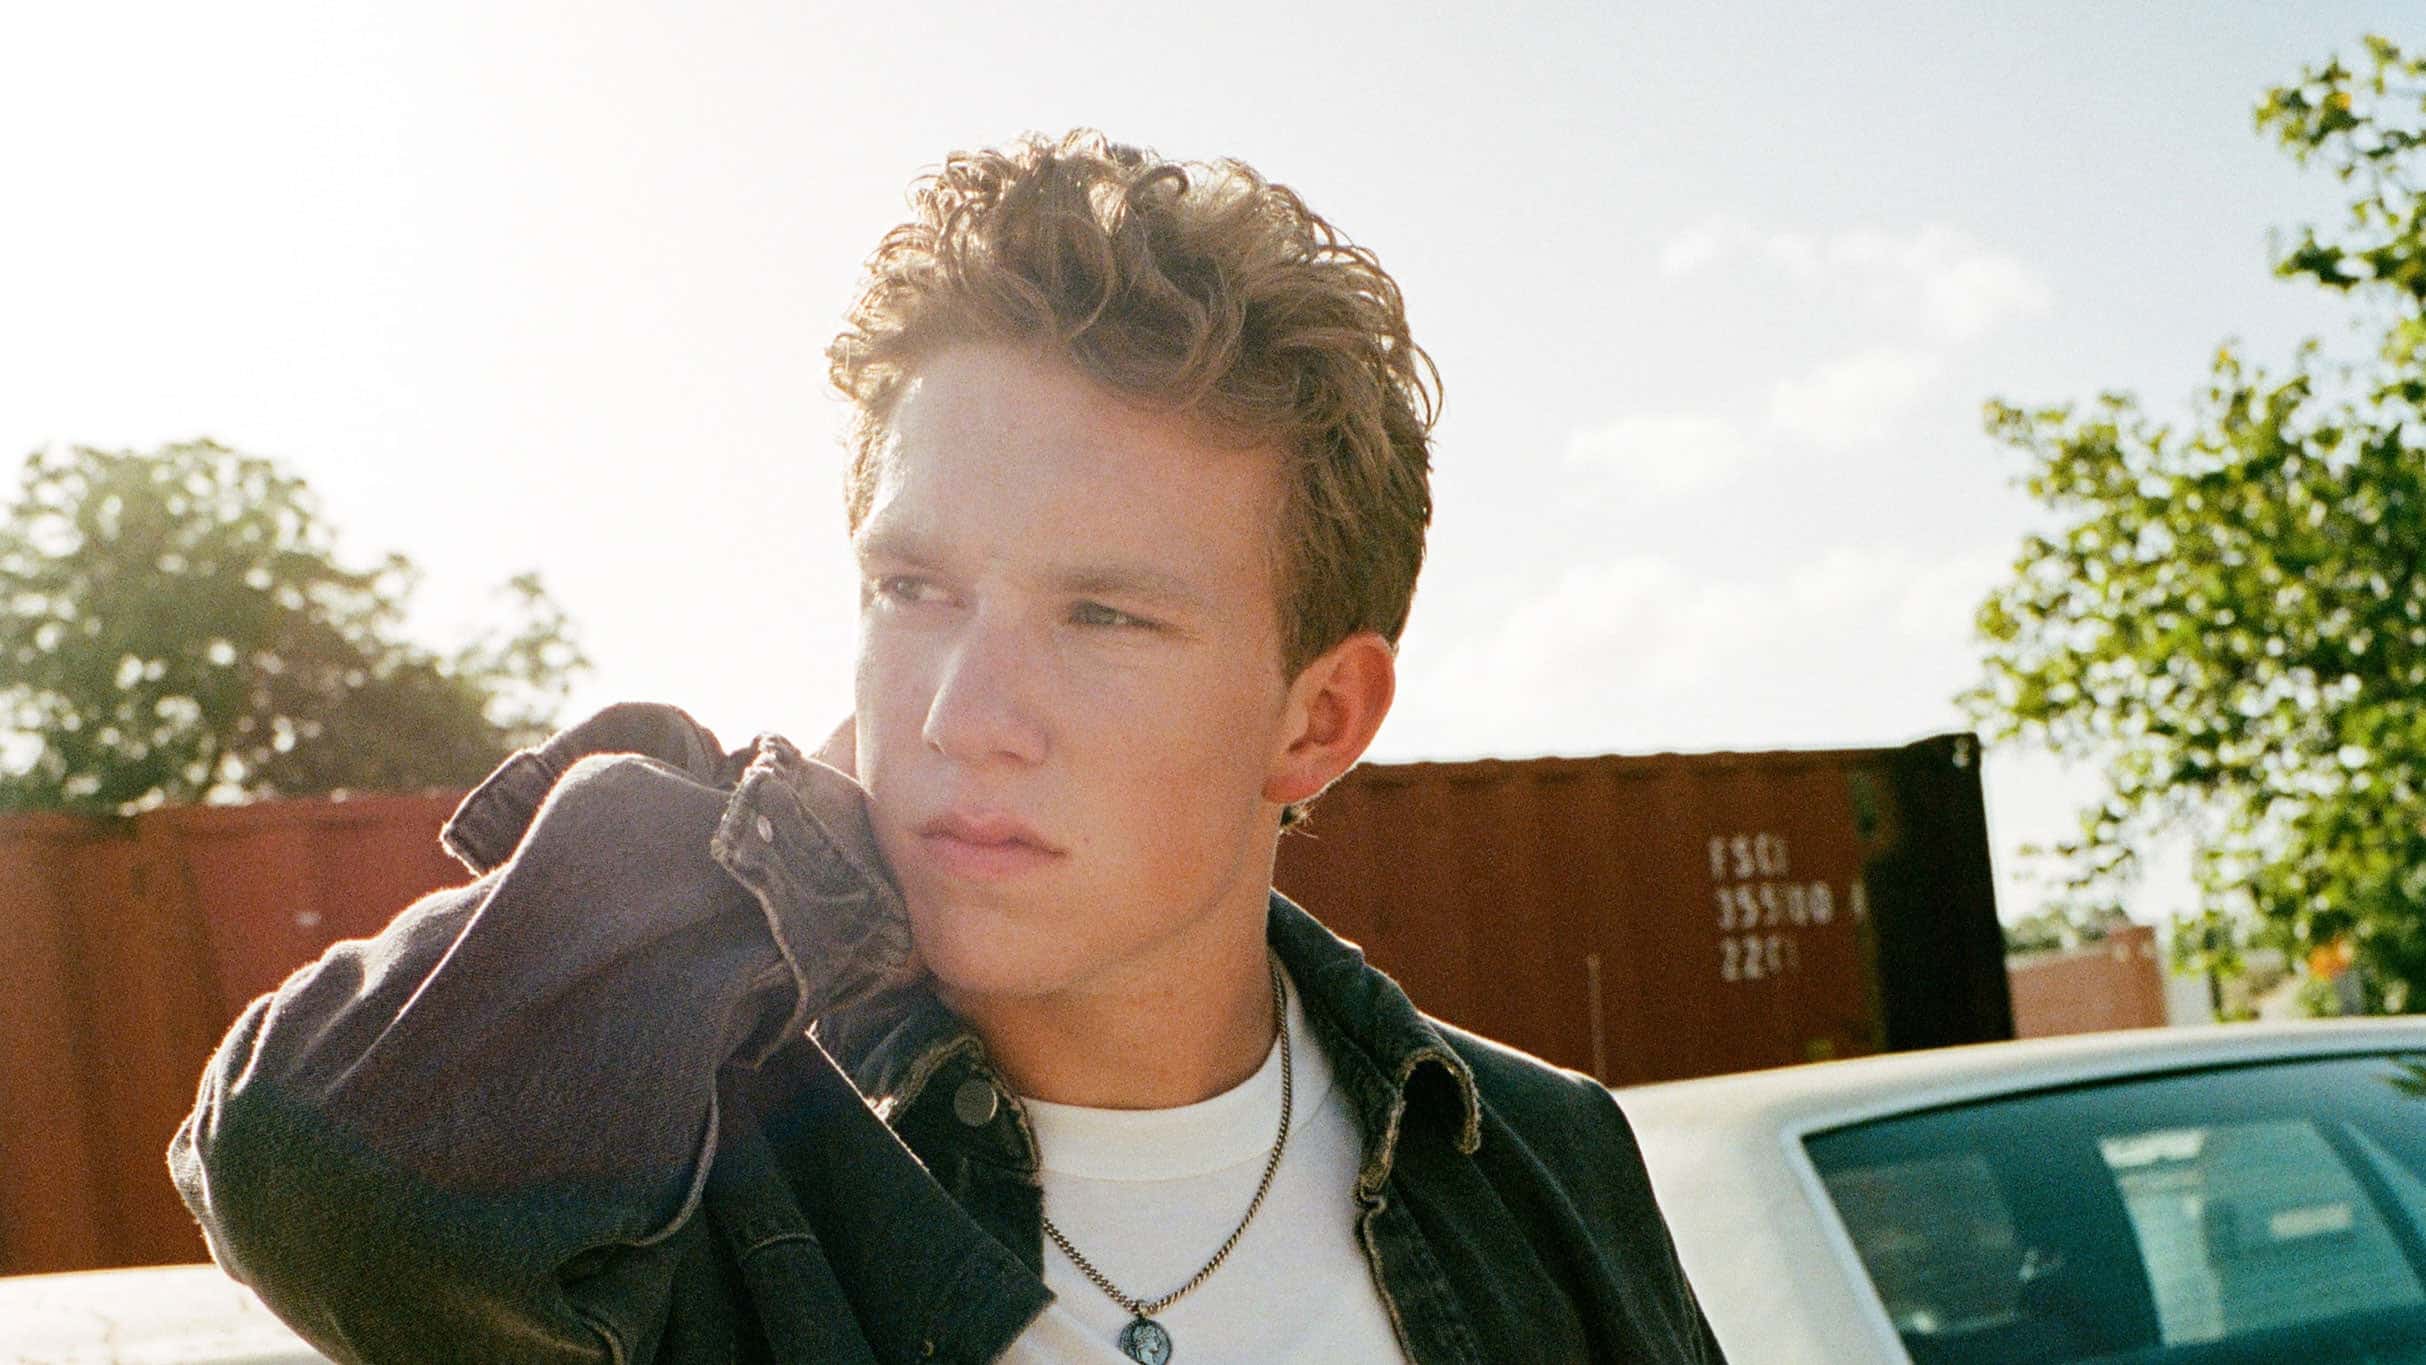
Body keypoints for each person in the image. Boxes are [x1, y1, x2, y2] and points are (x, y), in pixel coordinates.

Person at [171, 129, 1723, 1364]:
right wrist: (751, 848)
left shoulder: (1536, 1160)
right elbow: (310, 1171)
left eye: (1103, 615)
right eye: (913, 590)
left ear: (1317, 718)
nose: (961, 712)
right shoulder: (693, 1183)